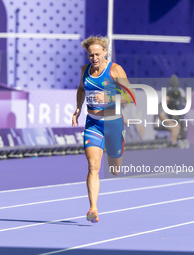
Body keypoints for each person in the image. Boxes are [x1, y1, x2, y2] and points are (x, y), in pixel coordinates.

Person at [72, 36, 135, 223]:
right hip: (93, 123)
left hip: (113, 123)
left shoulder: (115, 70)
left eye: (97, 54)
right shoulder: (85, 70)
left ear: (105, 52)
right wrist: (78, 109)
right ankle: (93, 208)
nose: (94, 58)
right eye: (90, 55)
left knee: (114, 169)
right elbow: (81, 89)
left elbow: (129, 96)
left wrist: (109, 99)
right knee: (93, 166)